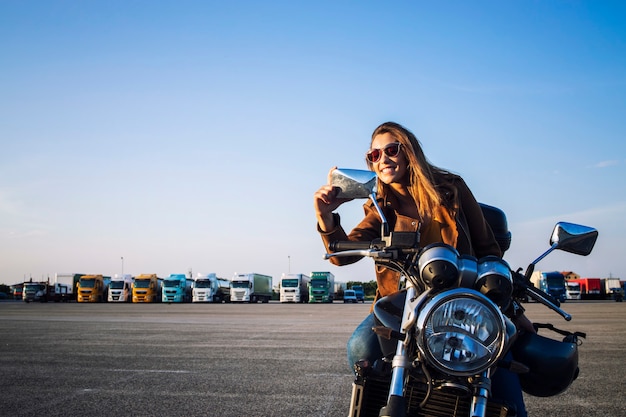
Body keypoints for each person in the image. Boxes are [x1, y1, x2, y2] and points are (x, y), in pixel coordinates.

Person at [313, 121, 529, 416]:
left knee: (498, 360)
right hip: (405, 304)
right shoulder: (379, 204)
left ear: (409, 152)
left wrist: (503, 293)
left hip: (459, 297)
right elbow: (343, 254)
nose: (383, 159)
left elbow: (487, 246)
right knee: (360, 348)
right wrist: (325, 216)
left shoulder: (451, 188)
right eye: (374, 155)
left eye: (391, 150)